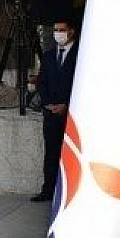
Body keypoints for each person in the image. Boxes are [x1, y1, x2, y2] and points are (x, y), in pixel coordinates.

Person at [33, 18, 79, 202]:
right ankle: (48, 190)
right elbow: (41, 83)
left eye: (62, 29)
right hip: (51, 114)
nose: (58, 33)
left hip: (72, 114)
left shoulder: (81, 54)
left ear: (71, 31)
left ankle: (71, 192)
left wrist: (67, 105)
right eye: (56, 30)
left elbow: (83, 83)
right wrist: (49, 104)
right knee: (51, 153)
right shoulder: (49, 56)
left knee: (72, 153)